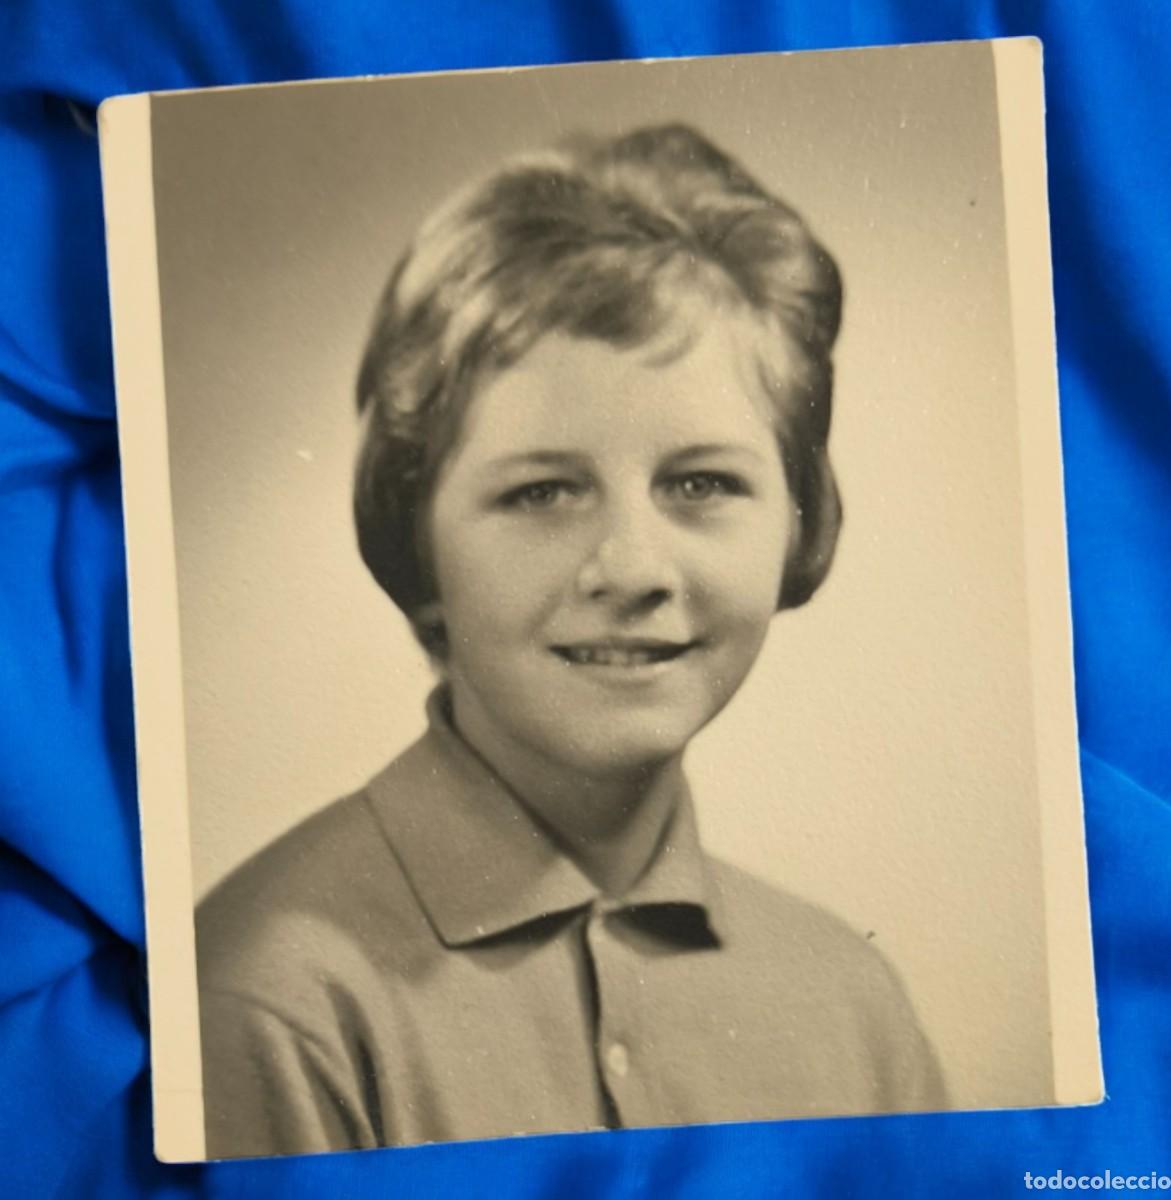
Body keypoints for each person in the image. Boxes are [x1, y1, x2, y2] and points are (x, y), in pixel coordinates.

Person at [195, 123, 946, 1159]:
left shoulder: (853, 1006)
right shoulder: (272, 1002)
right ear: (419, 536)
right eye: (542, 492)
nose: (632, 568)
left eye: (701, 484)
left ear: (800, 522)